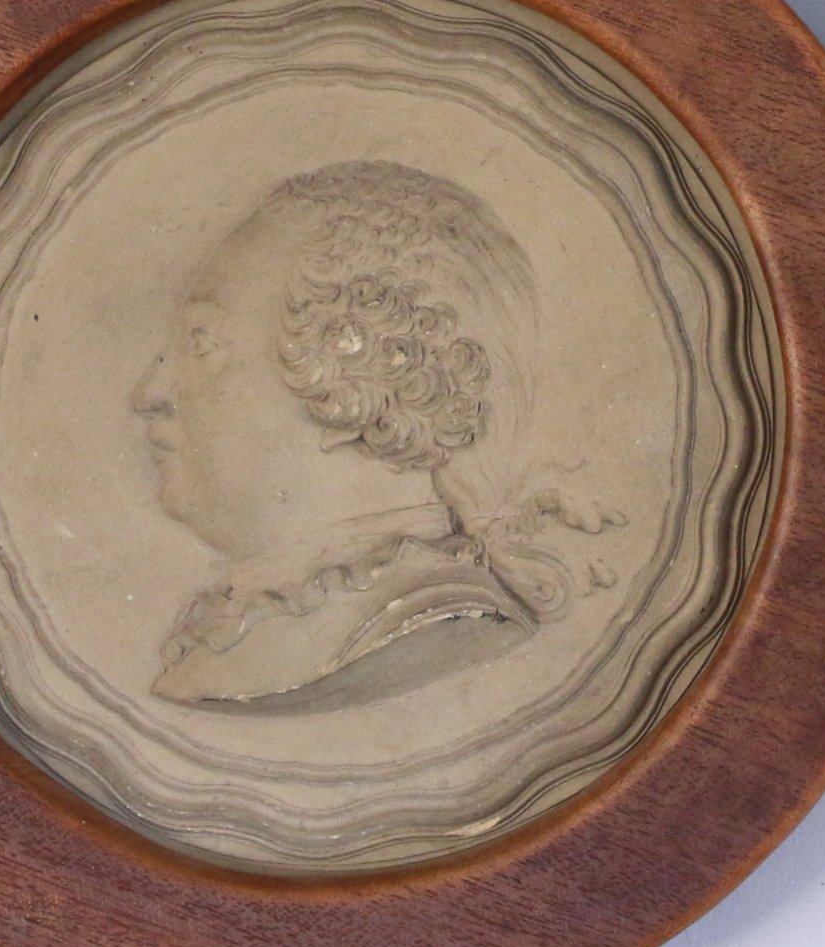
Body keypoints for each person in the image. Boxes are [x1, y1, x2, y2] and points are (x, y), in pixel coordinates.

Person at [130, 159, 613, 713]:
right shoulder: (251, 621)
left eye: (201, 343)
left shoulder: (425, 626)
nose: (149, 393)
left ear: (354, 378)